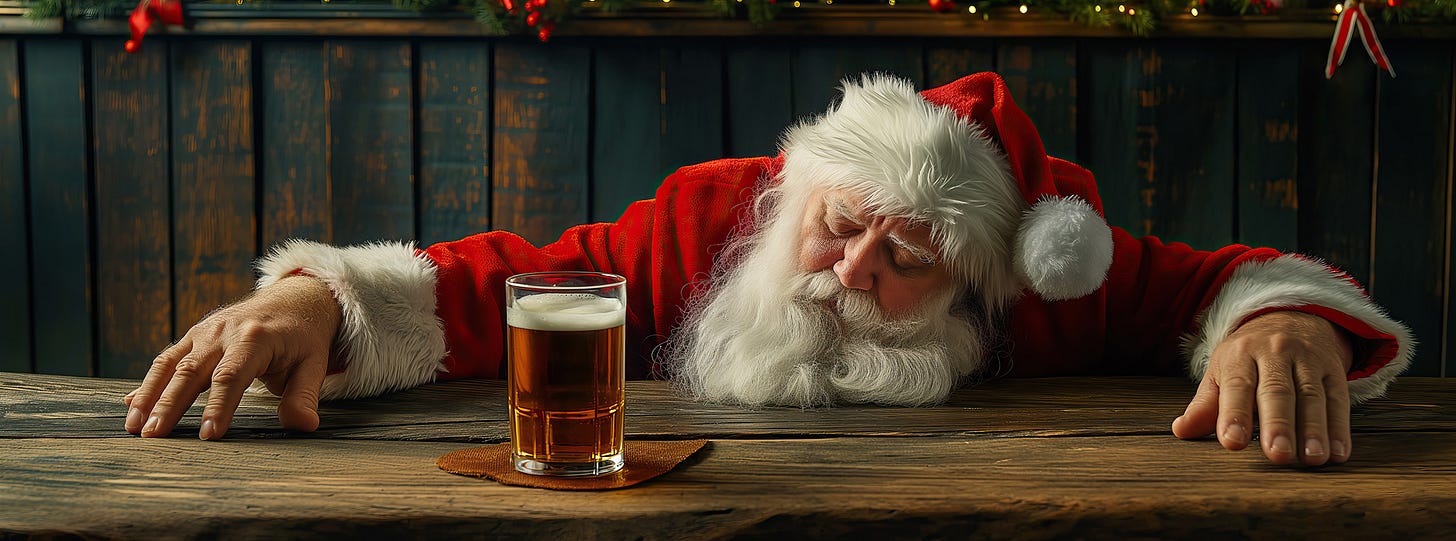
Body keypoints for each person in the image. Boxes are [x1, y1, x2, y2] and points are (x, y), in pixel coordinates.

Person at [122, 72, 1413, 468]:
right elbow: (486, 285)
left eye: (904, 255)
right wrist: (316, 296)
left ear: (974, 287)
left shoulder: (1050, 284)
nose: (849, 264)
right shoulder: (714, 219)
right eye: (842, 222)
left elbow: (1220, 279)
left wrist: (1275, 318)